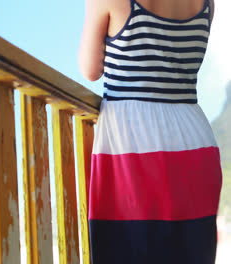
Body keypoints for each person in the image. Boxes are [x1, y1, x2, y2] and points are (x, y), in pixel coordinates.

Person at [78, 0, 222, 263]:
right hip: (194, 138)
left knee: (126, 250)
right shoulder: (207, 3)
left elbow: (90, 70)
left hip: (134, 144)